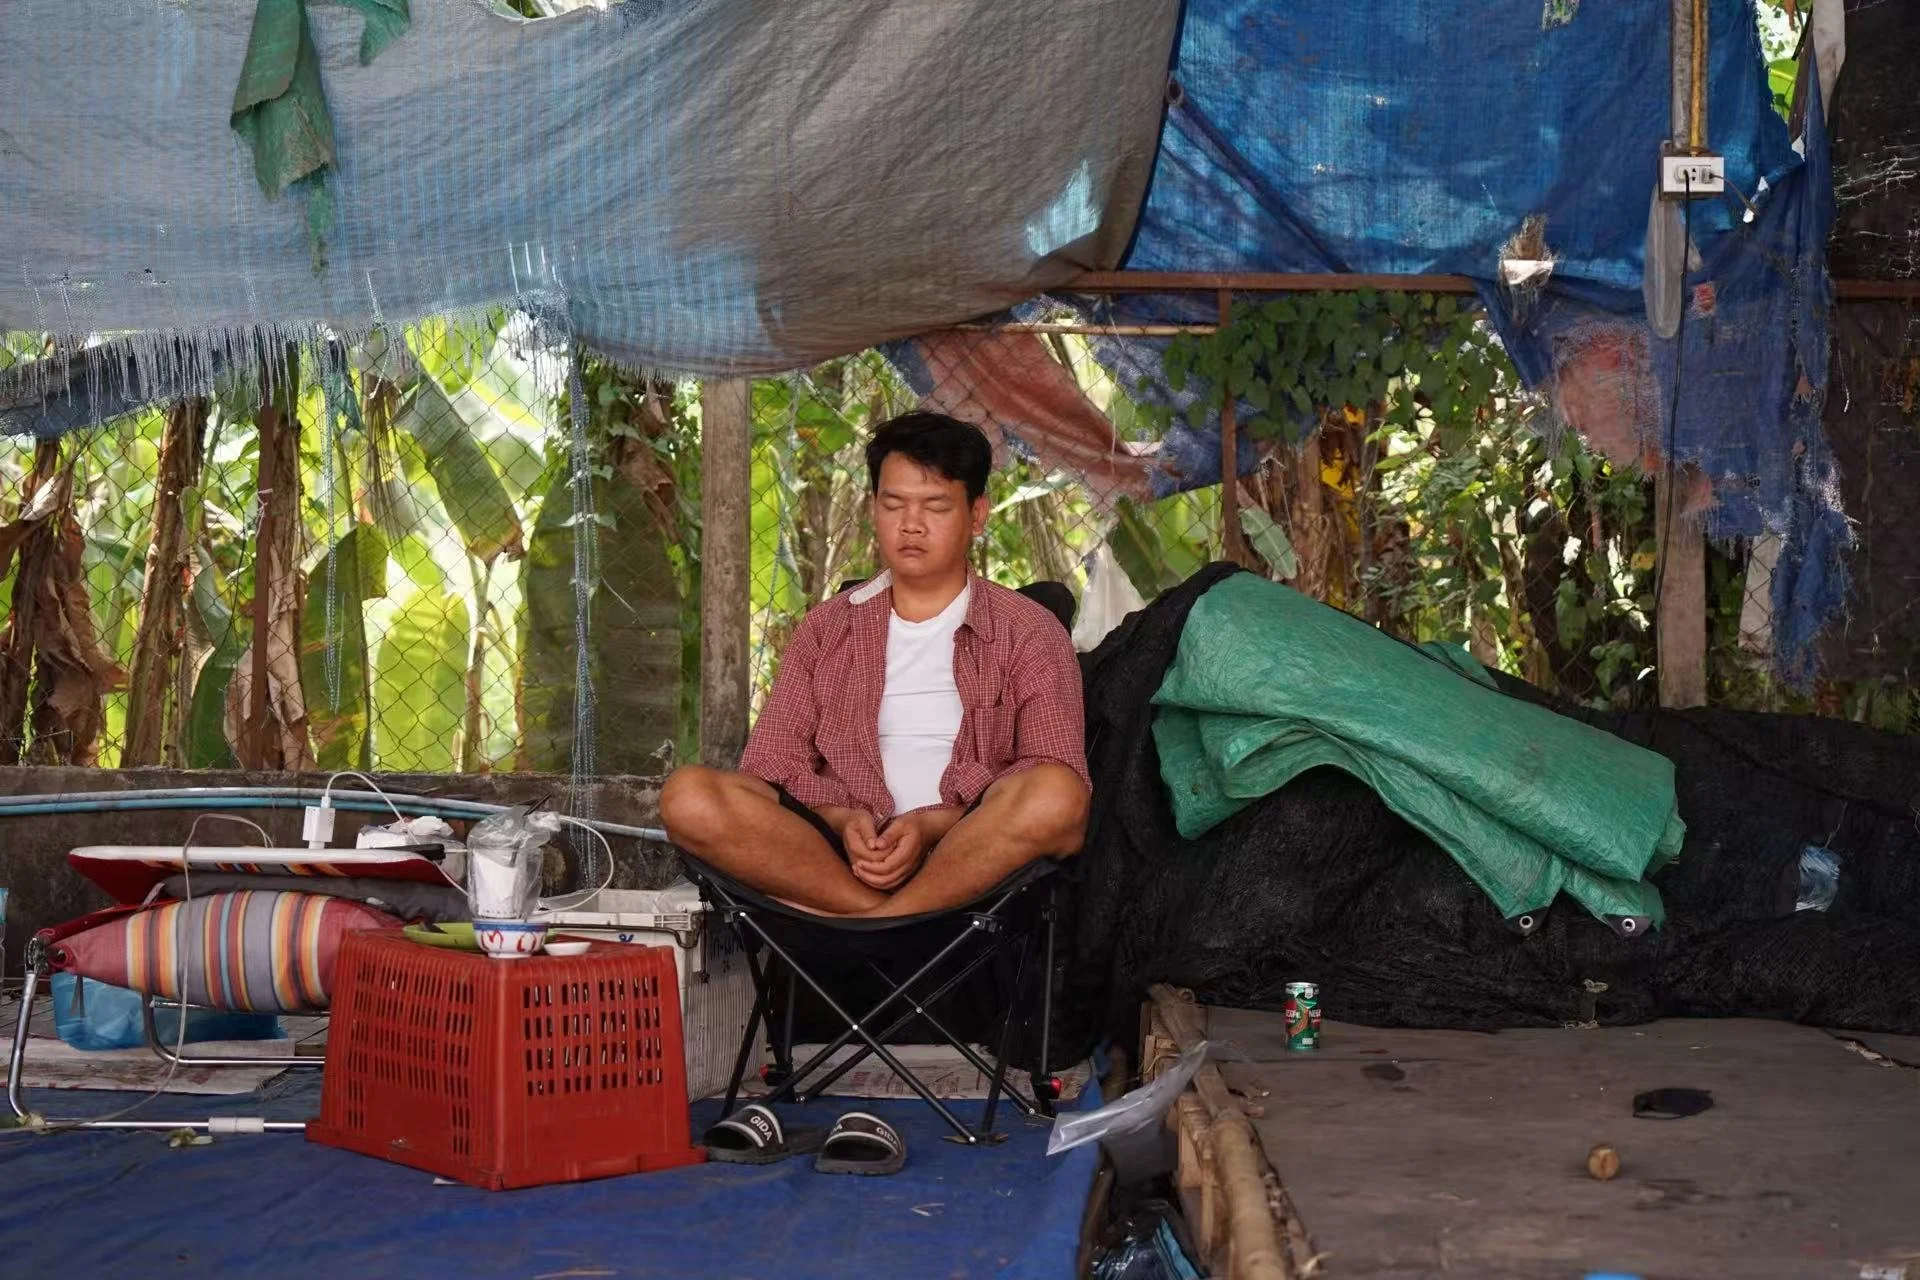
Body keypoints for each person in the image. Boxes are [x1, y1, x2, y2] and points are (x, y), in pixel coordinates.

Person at [660, 412, 1089, 917]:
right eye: (894, 504)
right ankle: (875, 917)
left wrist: (931, 824)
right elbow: (771, 767)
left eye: (935, 506)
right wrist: (843, 821)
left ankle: (887, 921)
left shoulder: (1030, 631)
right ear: (873, 509)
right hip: (834, 859)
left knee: (1059, 794)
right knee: (687, 795)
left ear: (977, 515)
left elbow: (1051, 772)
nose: (911, 524)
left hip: (966, 856)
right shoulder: (825, 629)